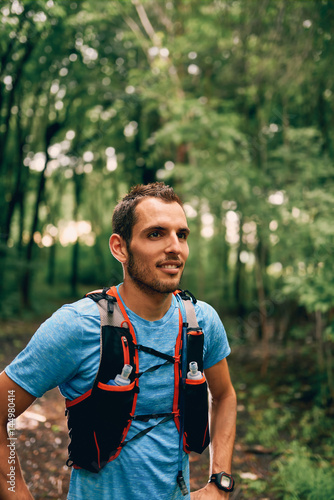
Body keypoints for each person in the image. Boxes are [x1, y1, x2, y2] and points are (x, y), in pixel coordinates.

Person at [0, 182, 237, 499]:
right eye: (156, 234)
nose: (175, 247)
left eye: (182, 235)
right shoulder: (77, 326)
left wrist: (219, 481)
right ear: (120, 247)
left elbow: (224, 396)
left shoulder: (201, 321)